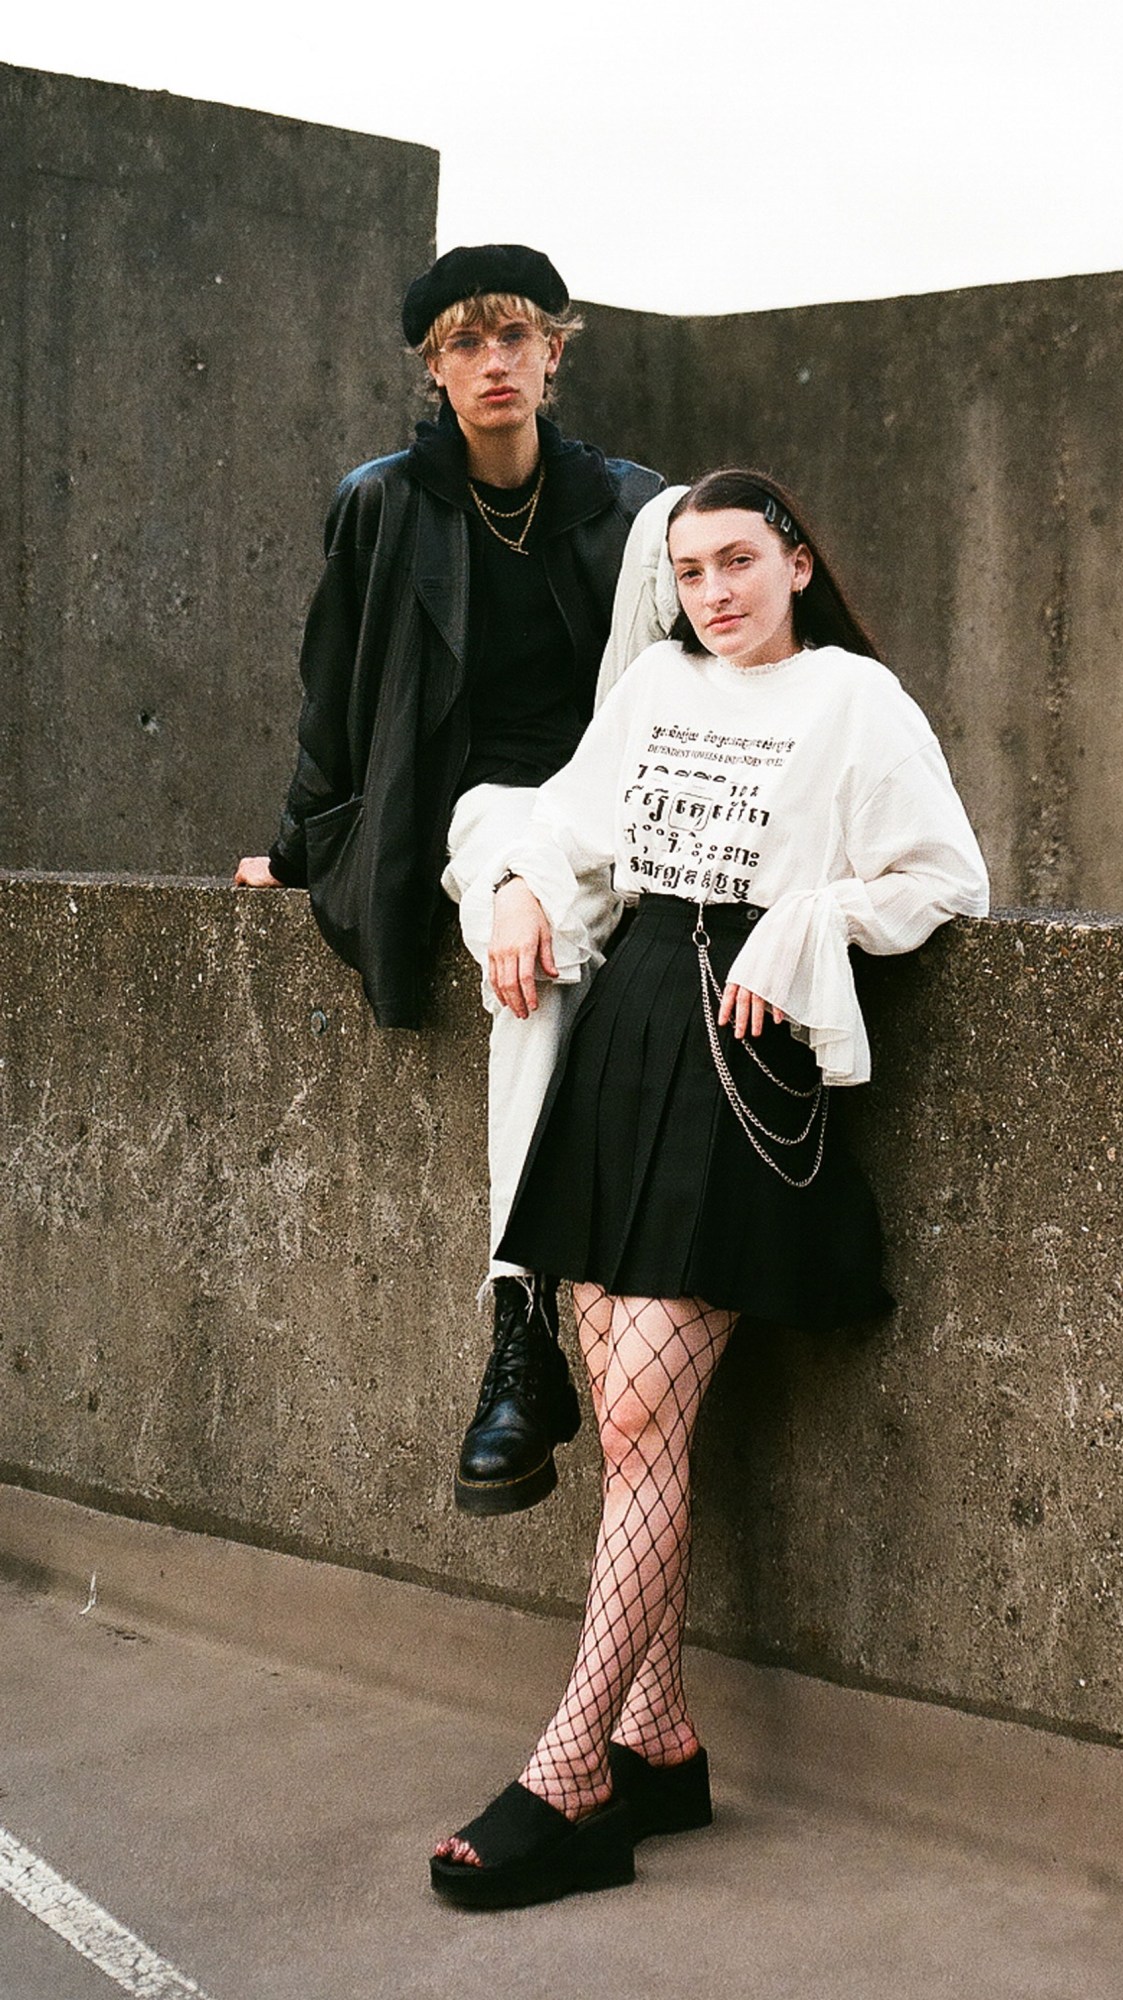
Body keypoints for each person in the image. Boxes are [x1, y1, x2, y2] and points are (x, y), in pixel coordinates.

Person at [428, 469, 990, 1909]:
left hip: (745, 1057)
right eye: (689, 572)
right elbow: (563, 822)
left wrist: (811, 915)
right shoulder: (657, 689)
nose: (715, 592)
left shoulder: (855, 701)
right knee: (636, 1427)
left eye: (739, 561)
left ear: (796, 561)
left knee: (634, 1412)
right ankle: (661, 1740)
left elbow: (943, 877)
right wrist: (513, 885)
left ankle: (573, 1771)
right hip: (623, 1050)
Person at [234, 243, 680, 1519]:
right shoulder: (383, 502)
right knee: (521, 954)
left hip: (607, 809)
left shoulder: (634, 505)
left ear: (556, 348)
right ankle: (520, 1330)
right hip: (474, 812)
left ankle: (524, 1351)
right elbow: (338, 686)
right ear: (434, 369)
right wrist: (307, 842)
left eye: (515, 336)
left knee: (544, 973)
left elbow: (681, 681)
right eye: (464, 344)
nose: (494, 362)